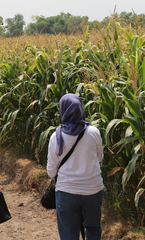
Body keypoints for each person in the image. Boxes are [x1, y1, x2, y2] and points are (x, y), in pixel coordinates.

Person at [47, 94, 104, 240]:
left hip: (66, 191)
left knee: (68, 234)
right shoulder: (93, 132)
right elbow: (100, 158)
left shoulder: (56, 136)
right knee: (93, 228)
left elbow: (51, 171)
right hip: (93, 190)